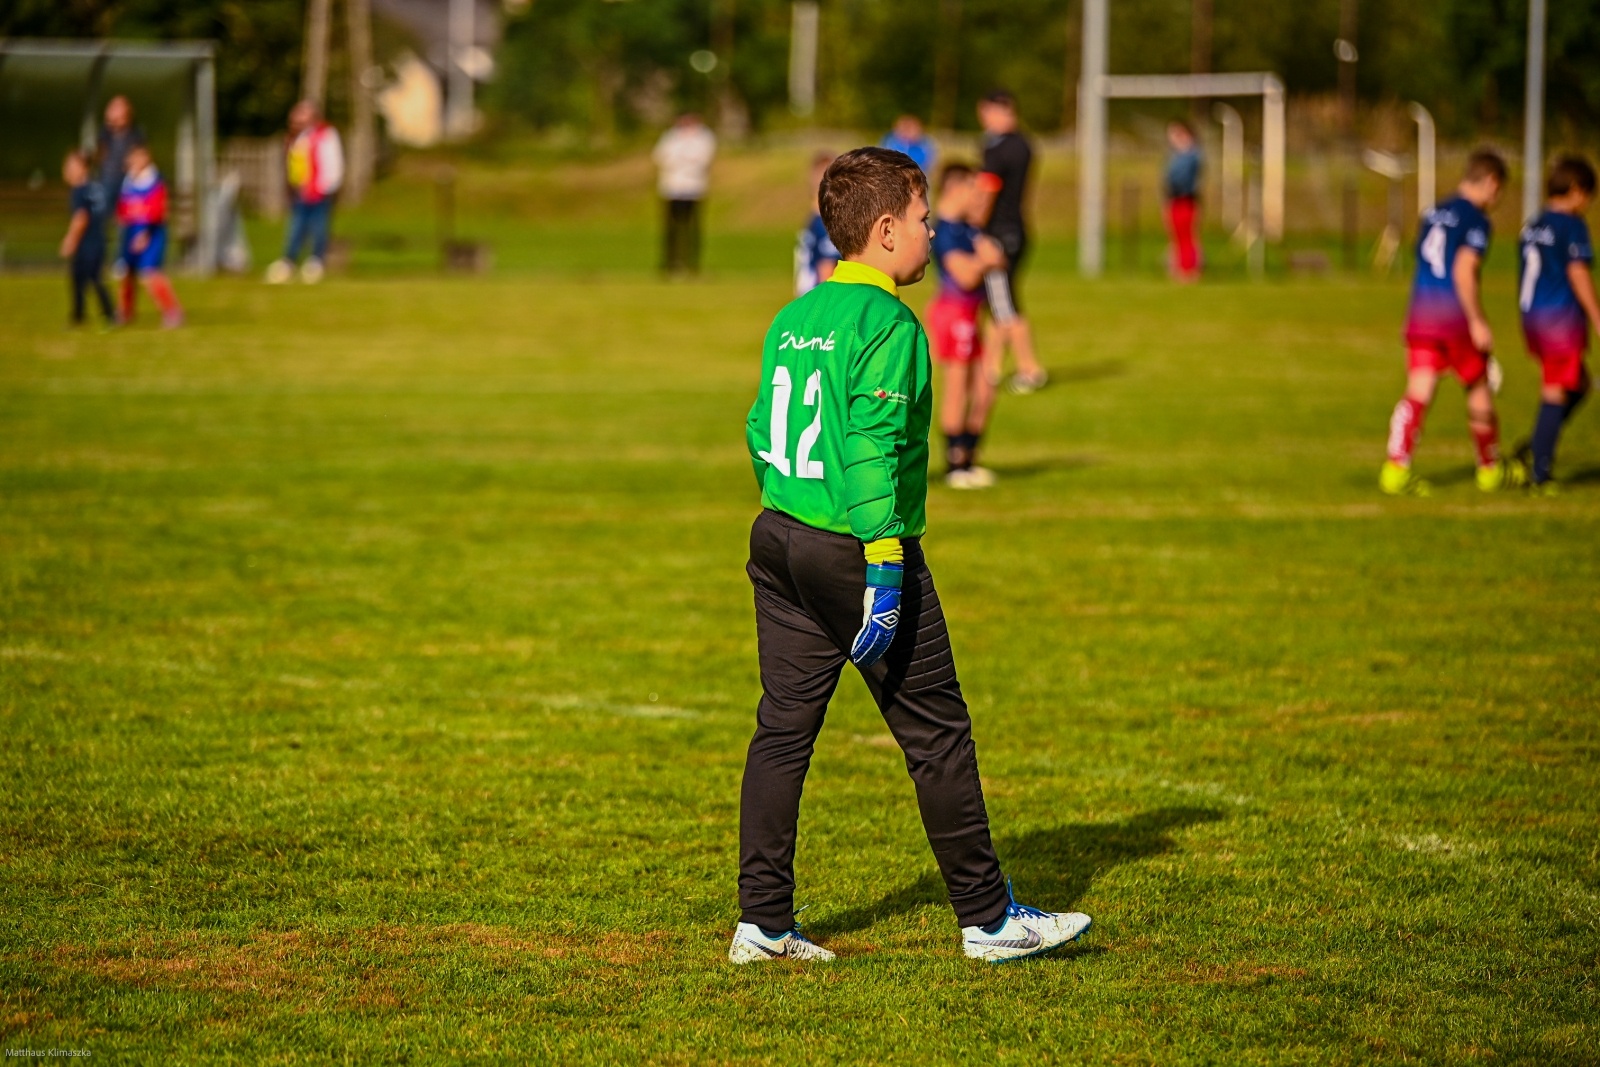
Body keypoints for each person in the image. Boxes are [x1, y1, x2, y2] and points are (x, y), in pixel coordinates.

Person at [733, 147, 1092, 965]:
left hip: (780, 536)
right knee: (937, 732)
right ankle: (991, 920)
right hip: (857, 550)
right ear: (887, 229)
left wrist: (795, 502)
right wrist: (886, 565)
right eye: (927, 218)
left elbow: (761, 429)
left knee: (782, 732)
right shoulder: (889, 321)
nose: (936, 232)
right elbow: (869, 444)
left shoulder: (794, 316)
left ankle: (763, 921)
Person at [1381, 149, 1522, 496]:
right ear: (1492, 182)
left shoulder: (1433, 212)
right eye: (1499, 192)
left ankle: (1395, 468)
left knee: (1419, 389)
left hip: (1421, 310)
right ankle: (1490, 470)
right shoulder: (1476, 220)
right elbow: (1462, 270)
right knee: (1478, 386)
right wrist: (1477, 321)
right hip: (1454, 314)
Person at [1516, 155, 1598, 494]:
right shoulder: (1571, 225)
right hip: (1559, 319)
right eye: (1590, 195)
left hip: (1532, 317)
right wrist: (1596, 315)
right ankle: (1540, 472)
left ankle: (1536, 444)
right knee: (1556, 389)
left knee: (1579, 383)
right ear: (1577, 190)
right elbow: (1577, 272)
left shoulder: (1533, 224)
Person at [927, 162, 1007, 488]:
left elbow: (996, 259)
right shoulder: (945, 231)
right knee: (958, 387)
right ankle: (954, 464)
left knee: (986, 388)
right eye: (972, 188)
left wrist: (988, 259)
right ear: (956, 188)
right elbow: (965, 274)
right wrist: (985, 260)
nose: (977, 196)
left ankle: (970, 458)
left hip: (976, 314)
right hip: (954, 312)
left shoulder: (968, 227)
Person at [975, 90, 1048, 395]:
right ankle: (989, 370)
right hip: (1019, 229)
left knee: (1005, 307)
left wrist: (974, 225)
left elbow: (988, 191)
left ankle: (1030, 369)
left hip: (999, 234)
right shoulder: (1025, 145)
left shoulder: (998, 150)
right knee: (996, 302)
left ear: (1000, 110)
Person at [266, 100, 344, 284]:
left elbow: (333, 162)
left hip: (320, 190)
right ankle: (288, 261)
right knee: (296, 227)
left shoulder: (325, 135)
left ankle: (316, 262)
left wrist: (328, 185)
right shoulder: (298, 138)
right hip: (301, 190)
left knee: (319, 227)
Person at [113, 144, 183, 328]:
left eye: (139, 157)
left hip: (150, 233)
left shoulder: (155, 180)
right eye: (132, 157)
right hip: (131, 232)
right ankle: (125, 312)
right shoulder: (128, 181)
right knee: (126, 272)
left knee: (149, 273)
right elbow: (123, 207)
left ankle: (172, 312)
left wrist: (145, 234)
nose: (134, 161)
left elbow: (158, 211)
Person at [653, 113, 716, 275]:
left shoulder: (704, 138)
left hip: (694, 188)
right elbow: (661, 158)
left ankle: (693, 263)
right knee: (672, 229)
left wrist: (684, 161)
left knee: (693, 228)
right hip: (672, 187)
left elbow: (703, 159)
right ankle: (671, 263)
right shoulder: (670, 137)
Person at [60, 149, 115, 329]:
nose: (66, 170)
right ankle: (80, 315)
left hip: (87, 242)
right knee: (83, 278)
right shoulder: (95, 187)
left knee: (90, 278)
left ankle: (108, 314)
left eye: (71, 166)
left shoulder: (79, 191)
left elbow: (81, 218)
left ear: (83, 168)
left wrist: (70, 240)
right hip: (98, 239)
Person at [794, 151, 839, 296]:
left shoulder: (813, 219)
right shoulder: (825, 223)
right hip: (818, 299)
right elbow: (826, 271)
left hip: (806, 298)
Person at [1164, 120, 1203, 283]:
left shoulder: (1192, 155)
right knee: (1177, 236)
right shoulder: (1176, 156)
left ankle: (1189, 270)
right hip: (1175, 199)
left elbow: (1180, 179)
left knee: (1187, 236)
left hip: (1186, 199)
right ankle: (1180, 268)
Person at [96, 95, 145, 199]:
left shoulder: (136, 133)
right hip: (108, 177)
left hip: (129, 178)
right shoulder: (105, 132)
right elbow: (101, 154)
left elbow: (141, 154)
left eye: (117, 107)